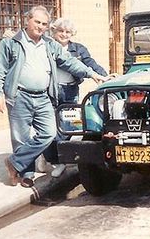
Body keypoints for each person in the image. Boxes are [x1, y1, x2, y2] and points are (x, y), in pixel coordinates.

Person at [0, 5, 108, 187]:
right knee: (21, 137)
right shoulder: (11, 43)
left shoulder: (50, 45)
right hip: (19, 96)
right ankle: (26, 174)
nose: (40, 26)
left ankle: (13, 162)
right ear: (27, 20)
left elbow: (70, 62)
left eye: (44, 24)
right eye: (37, 22)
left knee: (49, 133)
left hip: (43, 96)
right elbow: (0, 70)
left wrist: (91, 73)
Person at [45, 17, 116, 177]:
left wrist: (105, 76)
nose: (64, 34)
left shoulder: (78, 49)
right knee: (50, 125)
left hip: (70, 90)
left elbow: (90, 63)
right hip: (52, 91)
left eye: (67, 32)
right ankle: (55, 160)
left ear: (72, 33)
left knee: (68, 125)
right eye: (60, 31)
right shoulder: (48, 47)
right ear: (54, 31)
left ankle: (56, 157)